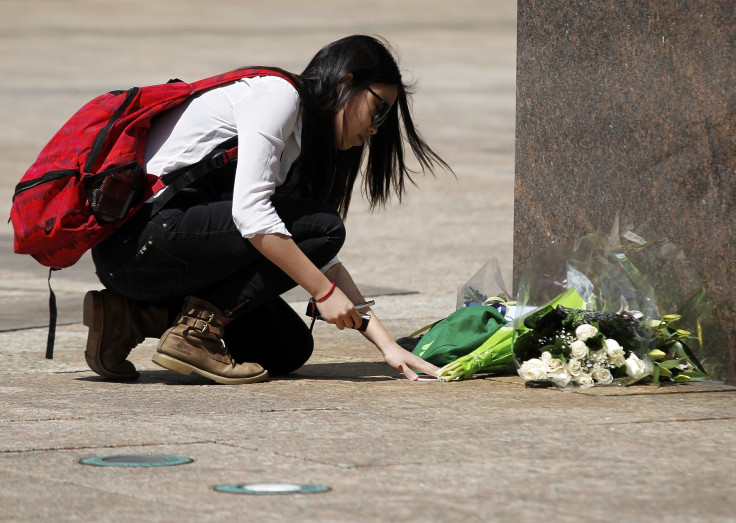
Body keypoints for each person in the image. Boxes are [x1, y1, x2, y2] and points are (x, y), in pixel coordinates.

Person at [83, 34, 451, 385]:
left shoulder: (301, 144)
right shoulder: (278, 96)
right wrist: (323, 294)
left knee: (285, 349)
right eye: (379, 110)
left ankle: (128, 317)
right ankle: (194, 334)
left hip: (161, 257)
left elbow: (314, 253)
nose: (375, 128)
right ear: (345, 83)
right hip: (139, 243)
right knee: (324, 226)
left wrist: (388, 346)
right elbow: (254, 216)